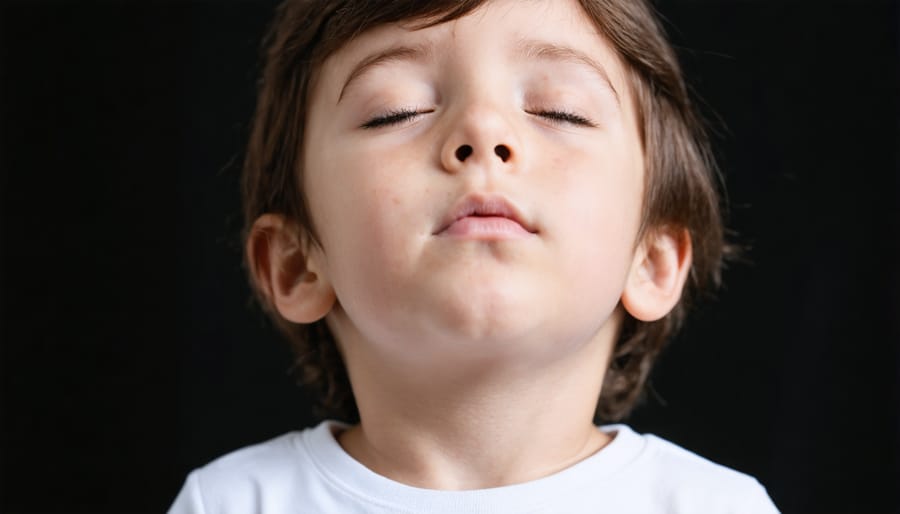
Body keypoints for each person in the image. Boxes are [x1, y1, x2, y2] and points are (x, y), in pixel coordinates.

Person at [171, 0, 779, 511]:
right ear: (297, 265)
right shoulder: (231, 503)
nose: (483, 131)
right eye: (396, 112)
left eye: (558, 111)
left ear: (651, 259)